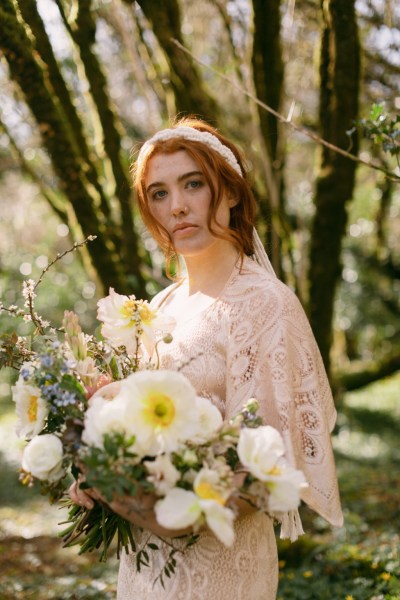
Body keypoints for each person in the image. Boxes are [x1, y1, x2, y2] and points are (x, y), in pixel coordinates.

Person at [71, 117, 343, 599]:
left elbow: (273, 460)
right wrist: (98, 472)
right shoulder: (156, 310)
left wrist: (173, 512)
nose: (177, 206)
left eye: (193, 184)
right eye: (159, 193)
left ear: (232, 192)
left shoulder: (266, 304)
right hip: (144, 564)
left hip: (223, 563)